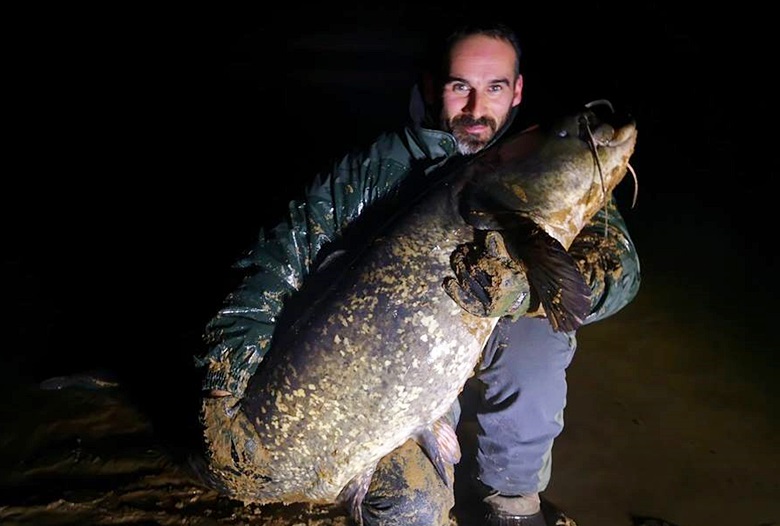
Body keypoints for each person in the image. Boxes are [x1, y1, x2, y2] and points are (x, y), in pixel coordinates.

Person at [194, 20, 640, 526]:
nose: (476, 109)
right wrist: (223, 382)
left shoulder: (526, 162)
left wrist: (518, 295)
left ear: (516, 92)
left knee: (544, 334)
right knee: (413, 507)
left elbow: (617, 272)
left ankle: (511, 502)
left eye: (493, 88)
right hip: (388, 375)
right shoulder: (376, 168)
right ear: (432, 88)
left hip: (456, 354)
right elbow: (271, 266)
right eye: (459, 88)